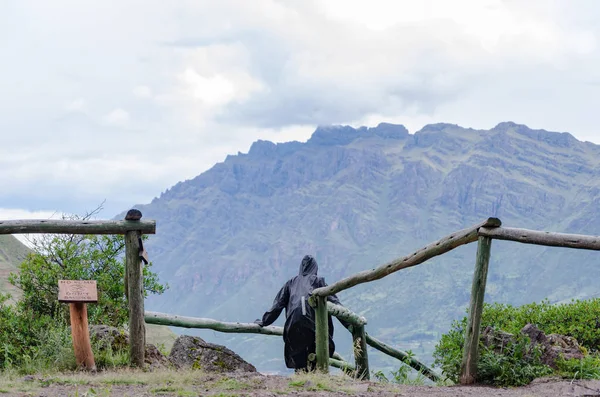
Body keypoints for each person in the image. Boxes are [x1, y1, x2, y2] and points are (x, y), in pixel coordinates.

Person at [254, 254, 349, 372]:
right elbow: (336, 305)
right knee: (319, 352)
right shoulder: (319, 282)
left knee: (300, 357)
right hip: (314, 327)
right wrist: (350, 324)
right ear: (315, 268)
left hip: (292, 327)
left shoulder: (290, 283)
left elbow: (277, 305)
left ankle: (302, 377)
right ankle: (317, 377)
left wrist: (264, 321)